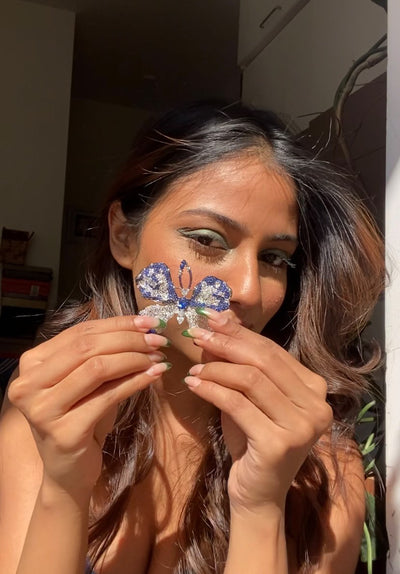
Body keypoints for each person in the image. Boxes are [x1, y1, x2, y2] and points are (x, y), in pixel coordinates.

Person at [0, 102, 384, 574]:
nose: (245, 290)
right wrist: (64, 489)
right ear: (124, 236)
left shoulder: (324, 470)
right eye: (207, 239)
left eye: (274, 259)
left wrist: (260, 507)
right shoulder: (56, 405)